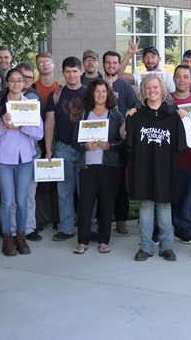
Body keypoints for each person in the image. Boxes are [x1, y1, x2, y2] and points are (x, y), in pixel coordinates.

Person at [126, 75, 187, 262]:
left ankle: (166, 246)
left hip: (165, 169)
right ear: (143, 90)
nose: (152, 91)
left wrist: (182, 117)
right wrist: (128, 118)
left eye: (155, 87)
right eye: (148, 88)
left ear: (163, 90)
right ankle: (145, 246)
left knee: (164, 205)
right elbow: (128, 142)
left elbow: (181, 145)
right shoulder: (136, 116)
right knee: (145, 205)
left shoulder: (173, 115)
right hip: (143, 168)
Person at [0, 68, 44, 256]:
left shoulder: (31, 104)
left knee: (22, 200)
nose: (16, 84)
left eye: (20, 80)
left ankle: (21, 236)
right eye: (12, 80)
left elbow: (39, 133)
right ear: (7, 83)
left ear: (24, 83)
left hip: (25, 158)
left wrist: (23, 126)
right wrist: (3, 125)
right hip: (4, 158)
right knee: (6, 200)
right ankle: (7, 237)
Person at [72, 79, 125, 254]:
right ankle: (83, 240)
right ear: (91, 94)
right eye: (97, 91)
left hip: (110, 166)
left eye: (103, 91)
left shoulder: (116, 116)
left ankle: (103, 240)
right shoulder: (85, 116)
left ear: (108, 94)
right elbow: (75, 142)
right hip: (88, 166)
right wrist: (84, 146)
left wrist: (111, 147)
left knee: (106, 203)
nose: (100, 95)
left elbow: (124, 142)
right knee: (85, 204)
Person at [44, 57, 86, 241]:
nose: (71, 75)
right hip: (63, 148)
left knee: (86, 191)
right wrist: (48, 148)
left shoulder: (89, 93)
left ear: (81, 72)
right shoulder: (56, 95)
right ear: (63, 73)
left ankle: (89, 227)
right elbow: (49, 122)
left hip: (86, 149)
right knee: (64, 191)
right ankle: (66, 228)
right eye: (68, 71)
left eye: (75, 71)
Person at [102, 50, 138, 234]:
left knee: (120, 184)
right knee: (102, 184)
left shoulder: (125, 86)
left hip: (121, 141)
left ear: (118, 65)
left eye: (115, 63)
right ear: (104, 64)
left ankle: (122, 219)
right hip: (100, 142)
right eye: (108, 63)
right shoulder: (97, 85)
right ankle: (103, 220)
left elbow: (135, 108)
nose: (111, 66)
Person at [170, 65, 191, 244]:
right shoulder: (164, 99)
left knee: (186, 194)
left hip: (190, 157)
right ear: (173, 79)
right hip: (167, 157)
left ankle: (183, 227)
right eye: (178, 76)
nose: (181, 80)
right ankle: (164, 227)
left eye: (185, 76)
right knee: (167, 194)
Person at [15, 61, 43, 241]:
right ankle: (12, 230)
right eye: (22, 77)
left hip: (32, 151)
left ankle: (29, 228)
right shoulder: (3, 97)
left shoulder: (35, 96)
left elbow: (39, 128)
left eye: (29, 78)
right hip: (9, 154)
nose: (25, 81)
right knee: (10, 197)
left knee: (29, 194)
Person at [32, 51, 60, 231]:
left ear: (53, 64)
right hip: (36, 141)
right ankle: (39, 219)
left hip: (57, 140)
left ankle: (58, 218)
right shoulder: (32, 89)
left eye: (47, 62)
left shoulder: (60, 90)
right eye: (40, 63)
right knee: (38, 183)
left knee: (58, 182)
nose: (44, 65)